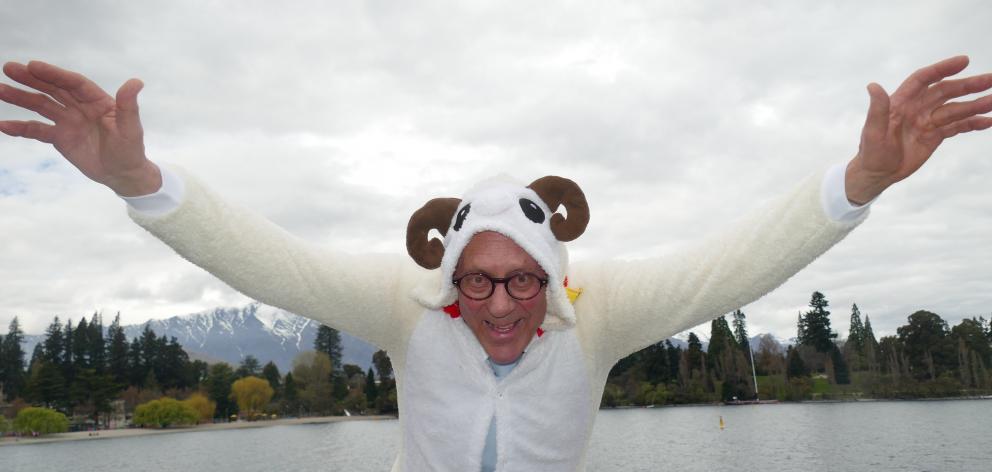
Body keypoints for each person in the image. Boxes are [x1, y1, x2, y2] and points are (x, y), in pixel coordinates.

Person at [1, 57, 990, 471]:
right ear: (447, 274)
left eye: (523, 278)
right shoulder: (404, 302)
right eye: (479, 278)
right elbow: (273, 262)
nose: (503, 302)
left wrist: (855, 184)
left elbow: (730, 266)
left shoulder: (593, 306)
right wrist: (140, 181)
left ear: (554, 274)